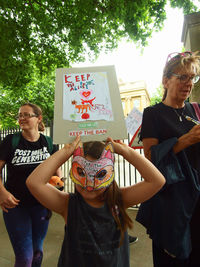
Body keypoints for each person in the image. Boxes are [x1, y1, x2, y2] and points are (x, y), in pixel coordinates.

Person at [26, 136, 165, 266]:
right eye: (81, 173)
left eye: (100, 174)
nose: (89, 185)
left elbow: (157, 180)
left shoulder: (119, 199)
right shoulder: (68, 204)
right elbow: (34, 182)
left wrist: (124, 150)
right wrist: (66, 151)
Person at [136, 51, 200, 267]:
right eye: (182, 77)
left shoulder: (196, 111)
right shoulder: (153, 113)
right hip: (171, 202)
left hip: (197, 197)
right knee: (172, 259)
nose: (188, 83)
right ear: (166, 80)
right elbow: (150, 157)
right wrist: (186, 139)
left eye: (192, 77)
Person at [0, 103, 61, 267]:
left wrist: (57, 184)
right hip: (15, 206)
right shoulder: (10, 141)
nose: (21, 118)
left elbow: (56, 172)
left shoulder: (48, 143)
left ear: (38, 118)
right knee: (25, 257)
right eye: (20, 115)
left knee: (37, 252)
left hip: (41, 206)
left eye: (26, 115)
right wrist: (2, 193)